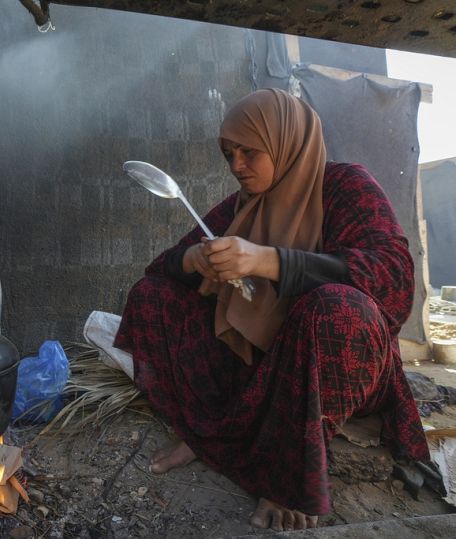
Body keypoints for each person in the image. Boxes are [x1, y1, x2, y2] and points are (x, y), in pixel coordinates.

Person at [113, 88, 429, 531]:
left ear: (286, 142)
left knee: (335, 308)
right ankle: (209, 431)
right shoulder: (243, 205)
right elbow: (162, 268)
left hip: (342, 366)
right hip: (260, 367)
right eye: (229, 154)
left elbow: (392, 277)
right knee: (152, 297)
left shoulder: (344, 186)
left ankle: (289, 471)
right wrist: (194, 260)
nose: (236, 166)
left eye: (249, 152)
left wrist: (269, 260)